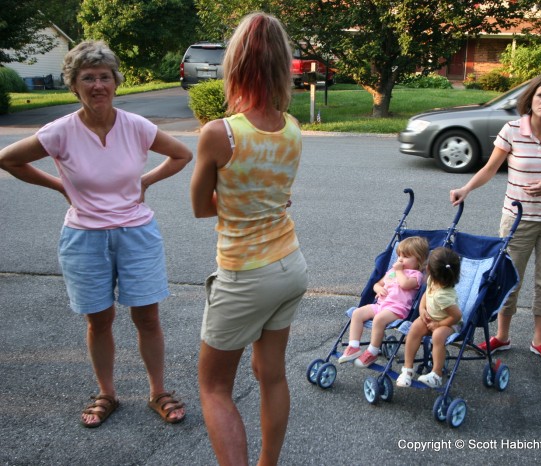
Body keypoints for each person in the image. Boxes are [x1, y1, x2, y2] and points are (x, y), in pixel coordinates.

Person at [0, 41, 191, 427]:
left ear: (116, 83)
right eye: (88, 78)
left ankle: (158, 391)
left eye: (105, 77)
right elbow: (8, 159)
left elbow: (182, 154)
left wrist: (146, 181)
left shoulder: (136, 126)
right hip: (84, 237)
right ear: (74, 85)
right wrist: (59, 186)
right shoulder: (60, 132)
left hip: (137, 232)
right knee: (98, 321)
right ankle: (107, 393)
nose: (98, 85)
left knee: (148, 318)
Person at [190, 12, 308, 466]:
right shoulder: (293, 128)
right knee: (270, 374)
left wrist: (239, 202)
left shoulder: (220, 133)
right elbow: (278, 196)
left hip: (245, 274)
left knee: (214, 387)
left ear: (234, 64)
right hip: (290, 266)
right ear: (283, 65)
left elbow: (202, 206)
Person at [450, 72, 541, 364]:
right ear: (531, 98)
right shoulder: (511, 130)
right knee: (509, 281)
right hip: (517, 220)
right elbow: (490, 169)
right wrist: (466, 188)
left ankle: (539, 341)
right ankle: (503, 337)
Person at [338, 236, 429, 368]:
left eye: (406, 256)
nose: (401, 259)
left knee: (379, 319)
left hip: (397, 309)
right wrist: (379, 288)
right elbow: (377, 284)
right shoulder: (392, 272)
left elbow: (404, 284)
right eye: (399, 256)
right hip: (380, 305)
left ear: (419, 260)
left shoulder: (416, 275)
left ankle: (373, 351)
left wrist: (398, 270)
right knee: (357, 313)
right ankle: (353, 346)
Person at [396, 247, 461, 388]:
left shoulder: (444, 296)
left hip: (448, 324)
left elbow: (456, 316)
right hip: (430, 317)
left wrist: (439, 324)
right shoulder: (432, 280)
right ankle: (407, 369)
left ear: (429, 269)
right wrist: (422, 308)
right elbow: (426, 293)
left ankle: (436, 374)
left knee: (437, 336)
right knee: (414, 328)